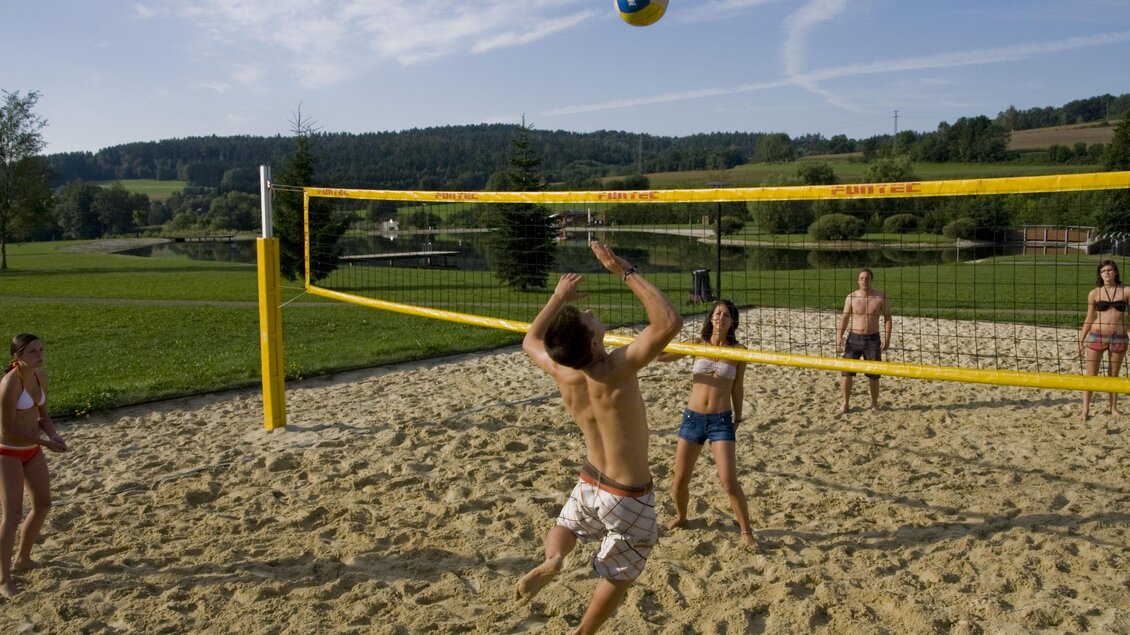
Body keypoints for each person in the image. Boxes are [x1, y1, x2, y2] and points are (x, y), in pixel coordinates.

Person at [516, 240, 682, 634]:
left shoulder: (564, 372)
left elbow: (529, 341)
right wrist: (623, 270)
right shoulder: (617, 368)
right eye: (588, 319)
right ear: (592, 342)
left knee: (568, 526)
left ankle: (554, 559)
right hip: (628, 494)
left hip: (591, 481)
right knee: (620, 574)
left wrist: (558, 297)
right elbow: (668, 322)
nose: (591, 313)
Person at [657, 300, 758, 549]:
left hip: (720, 420)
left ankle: (746, 530)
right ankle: (681, 516)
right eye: (717, 313)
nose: (721, 317)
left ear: (732, 322)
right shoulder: (696, 344)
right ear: (711, 318)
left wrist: (738, 417)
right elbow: (660, 356)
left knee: (728, 481)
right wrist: (662, 333)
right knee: (679, 481)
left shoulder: (739, 350)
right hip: (692, 418)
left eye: (726, 315)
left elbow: (737, 387)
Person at [1, 334, 67, 599]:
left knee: (43, 504)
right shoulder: (9, 384)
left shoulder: (40, 377)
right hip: (8, 452)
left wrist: (53, 435)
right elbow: (7, 430)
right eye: (32, 352)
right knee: (12, 516)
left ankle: (23, 559)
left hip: (33, 449)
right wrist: (45, 442)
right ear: (17, 357)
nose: (40, 355)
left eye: (41, 349)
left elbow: (43, 416)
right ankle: (4, 579)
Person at [836, 268, 892, 414]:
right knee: (846, 373)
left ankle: (874, 404)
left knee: (874, 375)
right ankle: (845, 403)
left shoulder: (880, 297)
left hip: (873, 340)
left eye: (867, 278)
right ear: (858, 280)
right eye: (861, 278)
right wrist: (839, 336)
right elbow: (845, 318)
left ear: (871, 280)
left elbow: (887, 318)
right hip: (853, 339)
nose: (864, 281)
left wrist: (887, 338)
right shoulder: (851, 297)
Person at [1078, 259, 1128, 420]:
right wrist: (1081, 339)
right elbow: (1089, 318)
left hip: (1119, 337)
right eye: (1103, 271)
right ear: (1100, 274)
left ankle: (1113, 408)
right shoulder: (1094, 293)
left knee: (1113, 375)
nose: (1106, 273)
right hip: (1097, 335)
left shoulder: (1126, 291)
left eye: (1109, 270)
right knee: (1091, 375)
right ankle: (1085, 409)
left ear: (1116, 272)